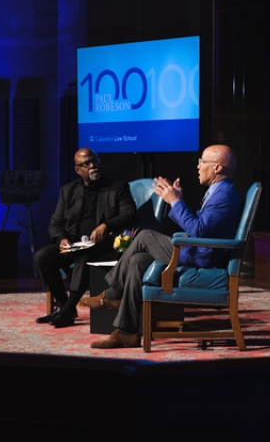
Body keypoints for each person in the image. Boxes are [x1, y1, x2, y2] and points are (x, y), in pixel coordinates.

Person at [79, 144, 242, 348]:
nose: (198, 166)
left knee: (145, 236)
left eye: (202, 162)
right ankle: (126, 332)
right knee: (139, 261)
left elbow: (199, 231)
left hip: (203, 257)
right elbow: (202, 227)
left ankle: (112, 293)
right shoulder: (220, 191)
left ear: (217, 168)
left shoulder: (224, 195)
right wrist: (179, 200)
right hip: (199, 250)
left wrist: (175, 202)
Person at [33, 148, 137, 328]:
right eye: (85, 164)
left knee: (85, 258)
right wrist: (61, 240)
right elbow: (55, 223)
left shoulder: (117, 187)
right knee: (42, 256)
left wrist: (106, 225)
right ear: (77, 170)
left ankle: (66, 310)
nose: (92, 166)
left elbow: (130, 214)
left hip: (102, 245)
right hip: (73, 244)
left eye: (94, 161)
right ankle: (65, 304)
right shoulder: (68, 191)